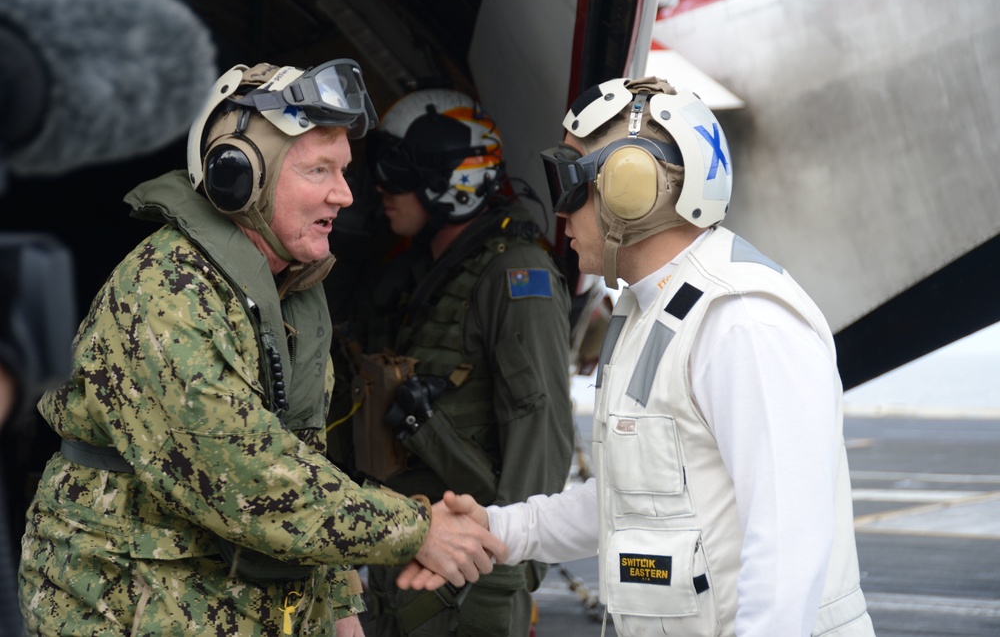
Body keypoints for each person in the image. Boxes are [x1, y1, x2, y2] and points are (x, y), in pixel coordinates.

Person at [17, 61, 506, 636]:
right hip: (129, 605)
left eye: (344, 170)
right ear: (239, 178)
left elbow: (302, 458)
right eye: (319, 170)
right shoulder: (169, 291)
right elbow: (247, 478)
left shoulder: (290, 291)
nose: (345, 195)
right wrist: (420, 529)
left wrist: (341, 611)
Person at [399, 77, 877, 636]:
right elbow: (629, 498)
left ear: (632, 189)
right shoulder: (650, 311)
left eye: (574, 183)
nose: (560, 214)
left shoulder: (743, 322)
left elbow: (788, 543)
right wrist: (498, 527)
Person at [327, 88, 574, 636]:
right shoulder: (412, 275)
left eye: (399, 173)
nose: (382, 189)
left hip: (468, 576)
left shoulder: (517, 278)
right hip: (406, 556)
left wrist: (504, 580)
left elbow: (541, 434)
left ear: (448, 182)